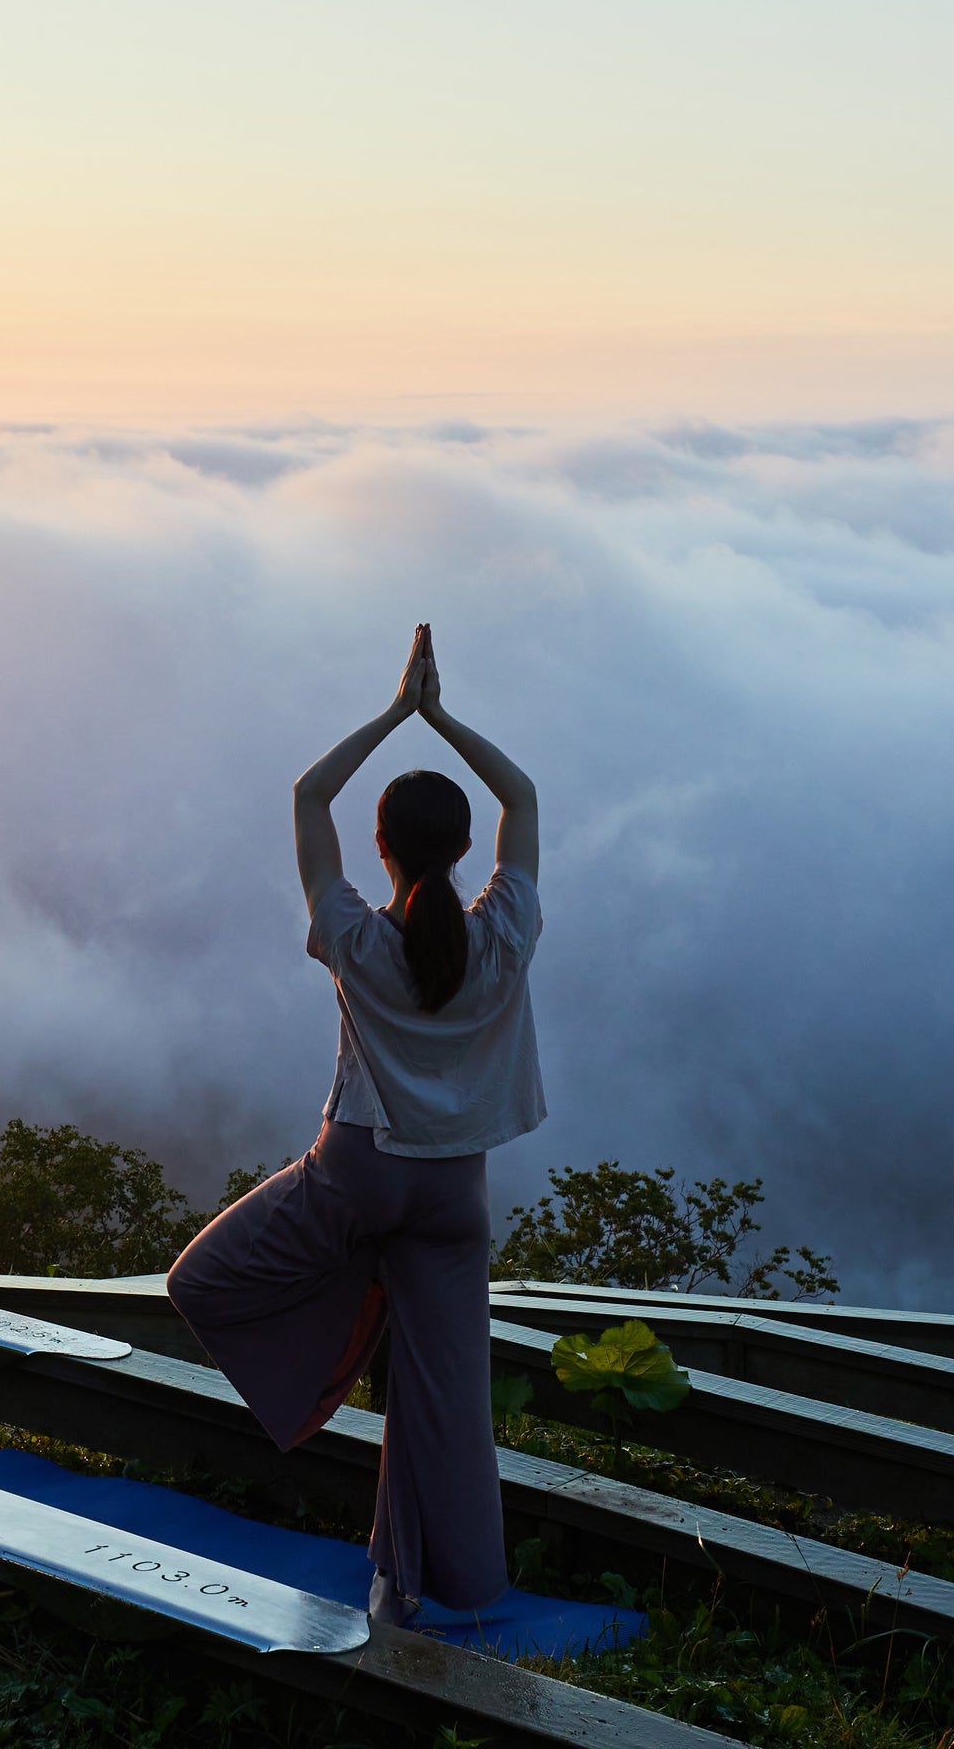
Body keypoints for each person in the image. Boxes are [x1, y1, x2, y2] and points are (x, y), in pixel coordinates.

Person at [167, 622, 545, 1627]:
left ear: (380, 846)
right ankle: (446, 1585)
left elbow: (306, 795)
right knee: (449, 1404)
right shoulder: (503, 935)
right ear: (466, 848)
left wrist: (392, 711)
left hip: (357, 1171)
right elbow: (526, 799)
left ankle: (330, 1368)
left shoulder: (355, 935)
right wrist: (442, 715)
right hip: (452, 1194)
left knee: (199, 1278)